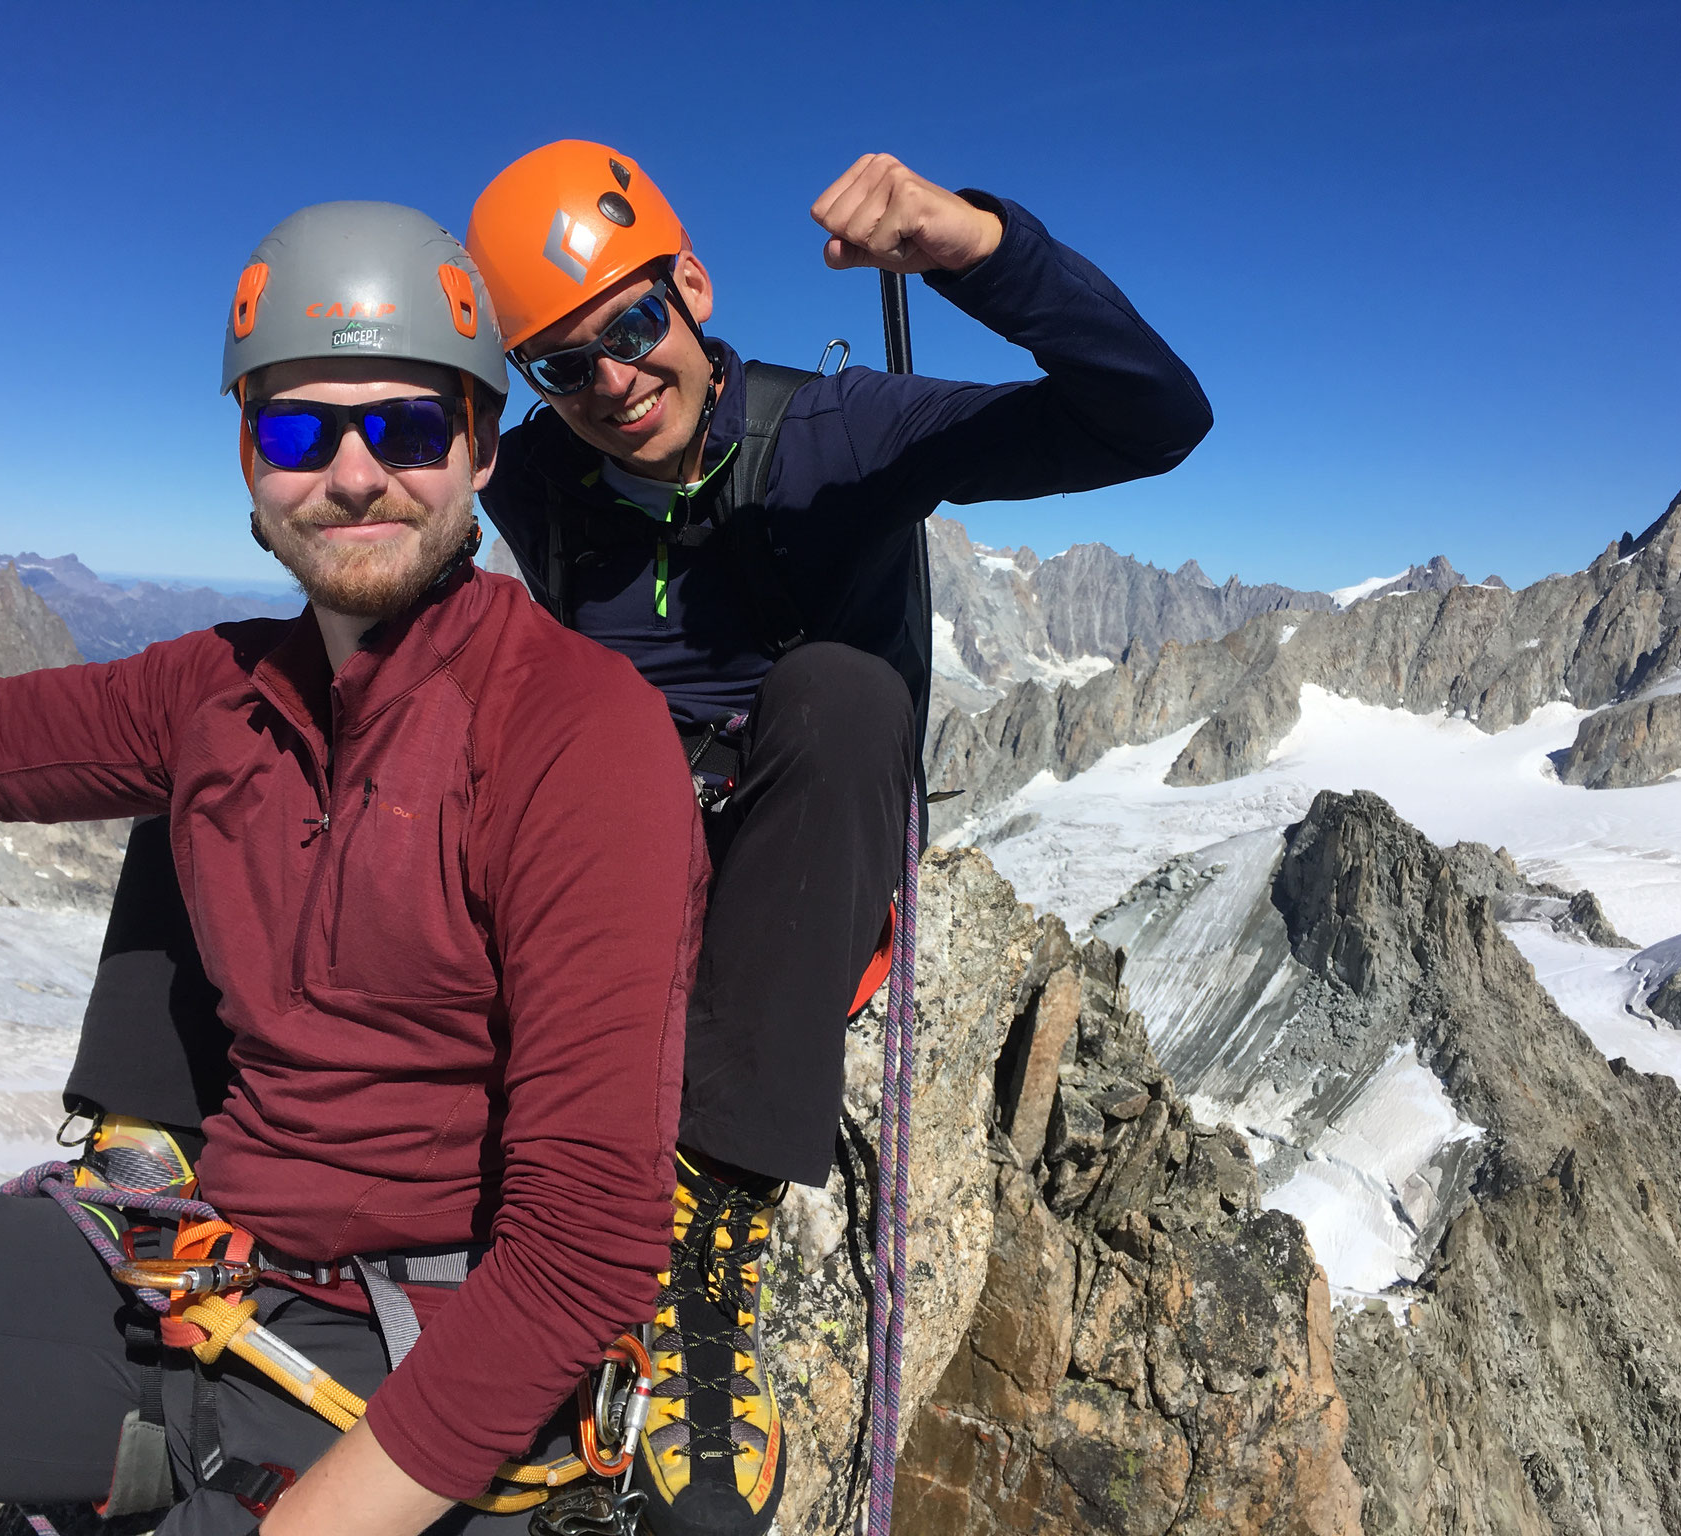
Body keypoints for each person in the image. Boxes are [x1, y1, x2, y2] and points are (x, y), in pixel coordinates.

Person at [0, 203, 706, 1536]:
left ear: (477, 444)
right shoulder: (215, 695)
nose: (354, 474)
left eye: (406, 427)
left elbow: (582, 1251)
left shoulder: (576, 730)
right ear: (248, 461)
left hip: (406, 1353)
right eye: (299, 430)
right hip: (185, 1281)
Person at [462, 143, 1214, 1536]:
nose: (612, 383)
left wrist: (974, 245)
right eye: (563, 367)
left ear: (690, 290)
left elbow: (1150, 419)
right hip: (616, 840)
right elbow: (372, 505)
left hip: (809, 830)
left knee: (844, 689)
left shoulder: (837, 432)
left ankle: (710, 1236)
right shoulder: (539, 479)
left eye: (631, 329)